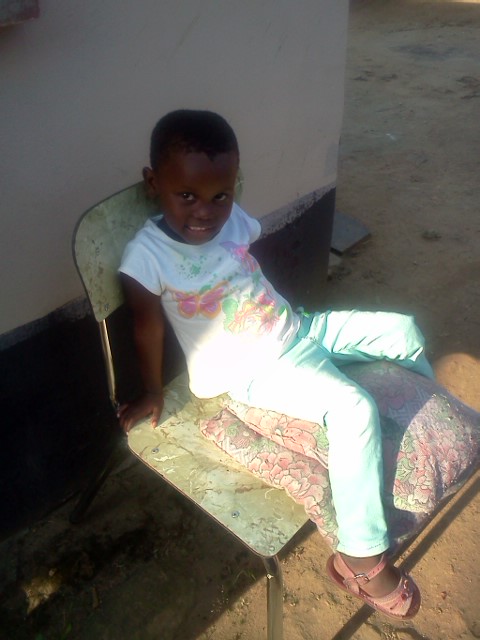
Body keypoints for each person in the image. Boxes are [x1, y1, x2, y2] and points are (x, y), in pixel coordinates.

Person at [119, 109, 434, 619]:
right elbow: (146, 328)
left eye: (221, 195)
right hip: (256, 370)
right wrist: (152, 390)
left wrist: (290, 321)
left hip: (299, 327)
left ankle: (423, 421)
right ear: (153, 183)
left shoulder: (232, 220)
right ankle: (360, 558)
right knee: (353, 408)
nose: (206, 212)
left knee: (403, 331)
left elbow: (244, 276)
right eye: (187, 196)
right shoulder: (147, 256)